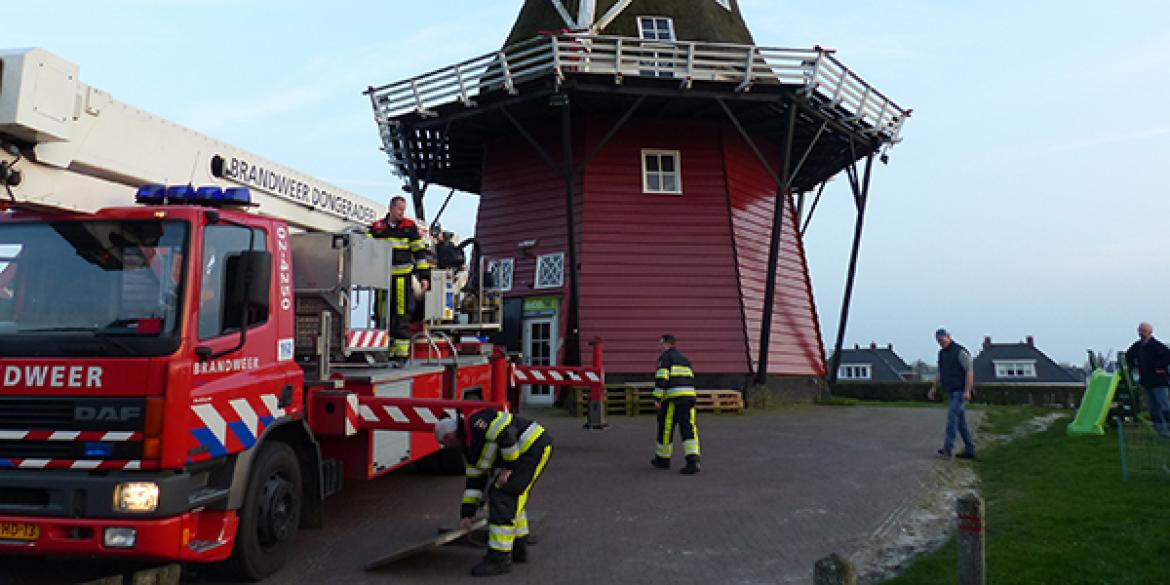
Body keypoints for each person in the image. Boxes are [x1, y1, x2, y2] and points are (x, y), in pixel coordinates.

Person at [434, 408, 552, 577]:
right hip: (529, 450)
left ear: (449, 437)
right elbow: (474, 483)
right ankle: (518, 547)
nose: (448, 447)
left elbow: (507, 435)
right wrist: (467, 514)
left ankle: (499, 560)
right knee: (509, 497)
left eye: (446, 444)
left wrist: (508, 468)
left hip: (532, 448)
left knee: (502, 498)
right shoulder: (470, 448)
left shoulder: (475, 424)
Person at [369, 197, 431, 364]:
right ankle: (383, 349)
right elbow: (367, 250)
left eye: (404, 210)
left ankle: (400, 354)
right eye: (399, 209)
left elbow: (420, 253)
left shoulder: (409, 227)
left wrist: (424, 277)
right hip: (382, 279)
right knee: (382, 313)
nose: (402, 213)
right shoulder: (377, 228)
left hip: (402, 278)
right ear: (390, 208)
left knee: (402, 314)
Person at [650, 334, 701, 474]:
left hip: (673, 398)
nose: (660, 347)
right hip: (689, 399)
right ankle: (693, 461)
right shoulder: (685, 360)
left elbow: (662, 378)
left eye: (661, 344)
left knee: (666, 428)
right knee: (689, 428)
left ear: (667, 344)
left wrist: (657, 397)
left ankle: (663, 459)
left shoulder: (665, 358)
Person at [927, 328, 975, 459]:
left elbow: (969, 371)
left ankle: (948, 448)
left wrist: (967, 390)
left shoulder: (960, 352)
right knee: (960, 423)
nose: (940, 343)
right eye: (938, 341)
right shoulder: (942, 354)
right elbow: (941, 373)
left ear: (949, 337)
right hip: (950, 390)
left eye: (942, 340)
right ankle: (970, 449)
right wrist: (933, 388)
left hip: (960, 391)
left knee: (952, 417)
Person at [1125, 322, 1170, 438]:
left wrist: (1159, 367)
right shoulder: (1138, 346)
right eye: (1140, 331)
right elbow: (1128, 356)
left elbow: (1168, 356)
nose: (1141, 333)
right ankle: (1162, 433)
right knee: (1153, 410)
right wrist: (1132, 366)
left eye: (1144, 331)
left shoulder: (1157, 346)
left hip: (1159, 383)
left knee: (1165, 407)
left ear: (1150, 332)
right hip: (1147, 383)